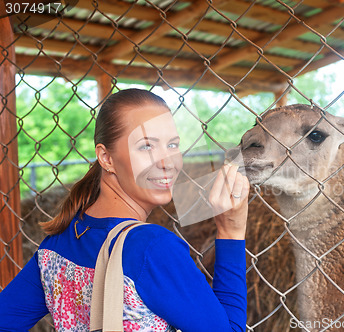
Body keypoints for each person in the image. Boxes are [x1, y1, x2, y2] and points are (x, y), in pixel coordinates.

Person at [0, 89, 250, 331]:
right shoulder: (152, 247)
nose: (167, 163)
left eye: (173, 145)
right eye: (146, 146)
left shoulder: (57, 245)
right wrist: (231, 232)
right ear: (106, 158)